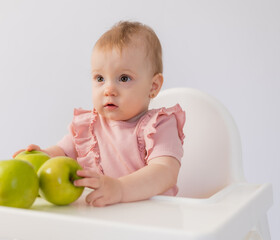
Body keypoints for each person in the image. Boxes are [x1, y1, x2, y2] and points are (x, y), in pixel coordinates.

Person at [13, 21, 185, 207]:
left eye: (124, 78)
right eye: (100, 79)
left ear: (153, 86)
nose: (108, 89)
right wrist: (42, 156)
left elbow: (165, 172)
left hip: (154, 219)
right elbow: (63, 152)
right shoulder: (87, 126)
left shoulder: (159, 126)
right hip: (103, 218)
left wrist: (120, 188)